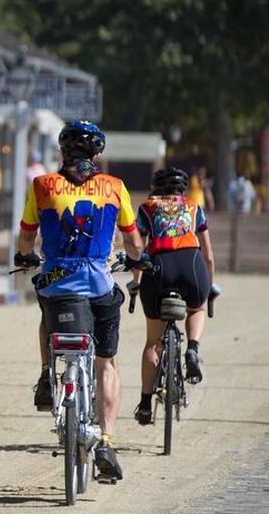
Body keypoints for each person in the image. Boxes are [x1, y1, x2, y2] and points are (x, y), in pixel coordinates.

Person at [15, 120, 145, 482]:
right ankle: (105, 440)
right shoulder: (115, 188)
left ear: (61, 152)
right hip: (100, 283)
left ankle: (46, 375)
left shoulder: (41, 186)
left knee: (46, 303)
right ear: (97, 154)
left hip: (58, 282)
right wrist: (138, 261)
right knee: (107, 361)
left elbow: (26, 239)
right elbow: (133, 242)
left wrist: (24, 258)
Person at [132, 167, 219, 424]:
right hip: (191, 265)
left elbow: (137, 249)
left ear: (155, 187)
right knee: (197, 307)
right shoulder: (194, 206)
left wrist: (136, 283)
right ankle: (192, 349)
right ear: (183, 188)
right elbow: (209, 255)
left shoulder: (147, 207)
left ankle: (146, 404)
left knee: (152, 342)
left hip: (158, 268)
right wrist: (209, 286)